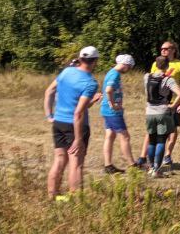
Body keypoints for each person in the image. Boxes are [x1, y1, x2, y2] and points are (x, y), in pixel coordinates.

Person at [43, 46, 101, 199]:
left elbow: (49, 91)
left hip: (58, 121)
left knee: (59, 160)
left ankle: (52, 196)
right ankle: (75, 201)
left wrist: (49, 115)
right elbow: (78, 112)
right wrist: (78, 138)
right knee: (76, 164)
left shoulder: (67, 72)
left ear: (80, 59)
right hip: (75, 125)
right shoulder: (90, 83)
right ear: (95, 61)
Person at [138, 40, 180, 168]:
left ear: (173, 50)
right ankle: (143, 157)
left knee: (172, 130)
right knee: (155, 135)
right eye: (161, 49)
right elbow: (151, 85)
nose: (163, 50)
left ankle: (167, 155)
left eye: (165, 48)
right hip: (162, 106)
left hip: (171, 104)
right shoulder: (156, 64)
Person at [143, 55, 180, 177]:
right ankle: (156, 169)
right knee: (161, 140)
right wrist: (173, 106)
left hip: (149, 112)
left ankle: (150, 168)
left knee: (151, 140)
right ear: (167, 66)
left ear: (156, 64)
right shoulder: (168, 80)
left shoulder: (146, 77)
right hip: (163, 112)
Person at [100, 53, 138, 173]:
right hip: (112, 112)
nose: (129, 70)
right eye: (130, 67)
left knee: (110, 136)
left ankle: (108, 166)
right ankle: (132, 165)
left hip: (106, 110)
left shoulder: (111, 72)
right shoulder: (115, 74)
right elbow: (109, 90)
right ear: (126, 65)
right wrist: (113, 105)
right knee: (125, 136)